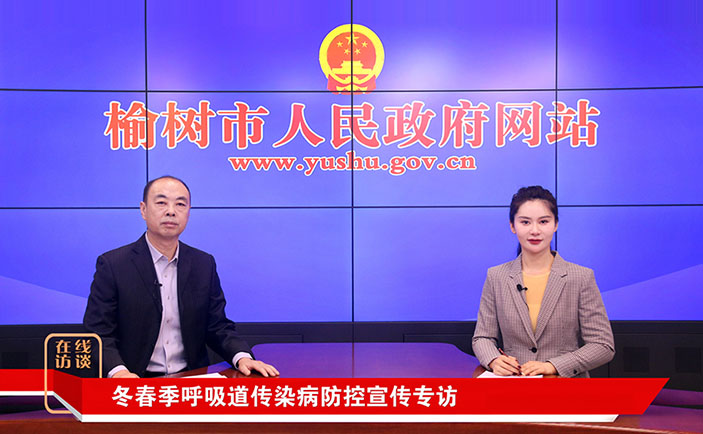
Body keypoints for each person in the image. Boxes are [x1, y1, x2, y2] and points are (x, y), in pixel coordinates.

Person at [83, 175, 279, 378]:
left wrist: (242, 357)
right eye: (161, 203)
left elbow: (218, 326)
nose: (171, 211)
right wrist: (119, 373)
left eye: (180, 204)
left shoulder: (203, 264)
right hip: (135, 380)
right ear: (143, 210)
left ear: (188, 212)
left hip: (191, 379)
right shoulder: (114, 264)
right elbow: (98, 333)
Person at [472, 186, 614, 377]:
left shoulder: (580, 277)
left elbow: (602, 345)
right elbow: (482, 337)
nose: (535, 230)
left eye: (544, 221)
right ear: (512, 226)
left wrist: (553, 366)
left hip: (565, 386)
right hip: (514, 384)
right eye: (525, 222)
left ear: (555, 224)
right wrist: (494, 359)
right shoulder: (497, 276)